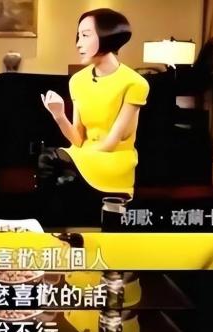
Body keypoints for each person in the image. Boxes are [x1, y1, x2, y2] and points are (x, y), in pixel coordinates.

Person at [38, 8, 149, 226]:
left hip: (113, 159)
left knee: (56, 166)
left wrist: (76, 160)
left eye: (86, 35)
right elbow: (78, 139)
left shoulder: (135, 83)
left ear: (108, 36)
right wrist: (59, 115)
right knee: (49, 161)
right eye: (78, 36)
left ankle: (50, 226)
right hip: (84, 154)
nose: (78, 43)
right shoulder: (77, 81)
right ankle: (49, 228)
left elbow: (111, 143)